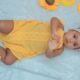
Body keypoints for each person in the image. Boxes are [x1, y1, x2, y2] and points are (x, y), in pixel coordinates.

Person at [0, 17, 80, 65]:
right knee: (1, 25)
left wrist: (50, 48)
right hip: (21, 29)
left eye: (74, 44)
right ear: (71, 30)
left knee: (8, 61)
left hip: (21, 47)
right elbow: (54, 19)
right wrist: (54, 31)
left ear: (72, 48)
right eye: (74, 36)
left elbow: (49, 55)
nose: (70, 40)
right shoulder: (61, 27)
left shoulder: (60, 49)